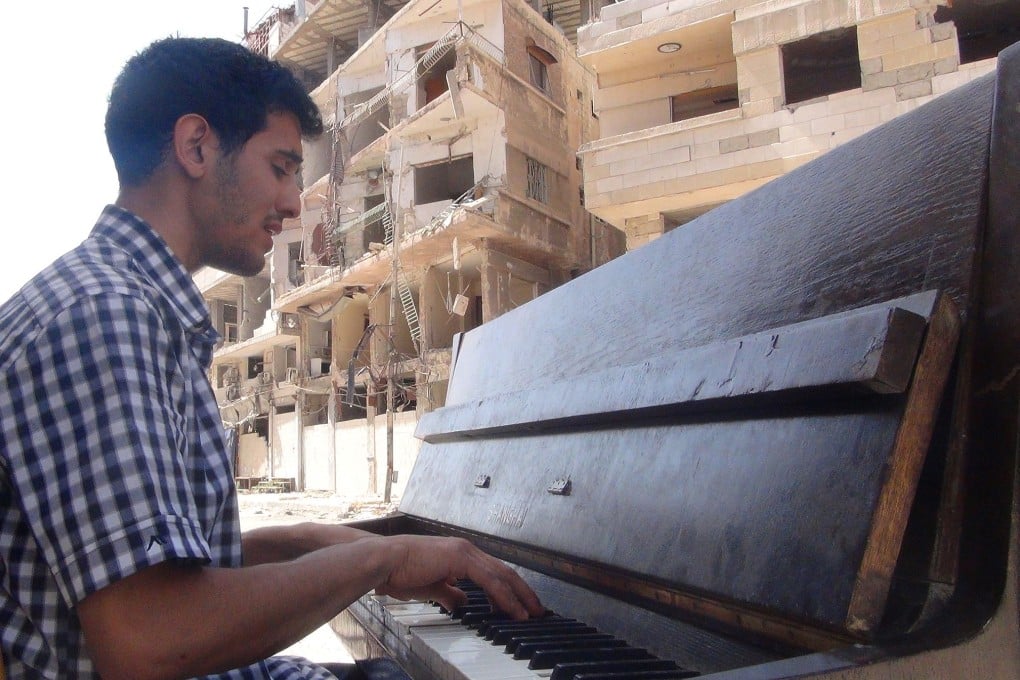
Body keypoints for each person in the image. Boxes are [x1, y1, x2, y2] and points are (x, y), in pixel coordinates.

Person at [0, 37, 542, 679]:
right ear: (196, 146)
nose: (292, 202)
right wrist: (378, 562)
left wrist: (324, 543)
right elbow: (149, 638)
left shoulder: (126, 305)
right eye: (282, 167)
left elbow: (188, 563)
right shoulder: (105, 316)